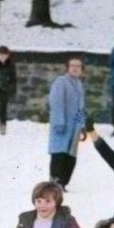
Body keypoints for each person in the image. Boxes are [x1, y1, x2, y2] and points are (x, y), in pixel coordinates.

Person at [47, 56, 87, 187]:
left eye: (78, 66)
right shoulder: (61, 82)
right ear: (67, 68)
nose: (75, 68)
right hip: (62, 125)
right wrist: (59, 121)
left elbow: (81, 107)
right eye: (73, 65)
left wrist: (82, 125)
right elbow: (57, 103)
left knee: (70, 156)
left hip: (74, 128)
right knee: (59, 153)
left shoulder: (79, 85)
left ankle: (63, 183)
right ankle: (55, 181)